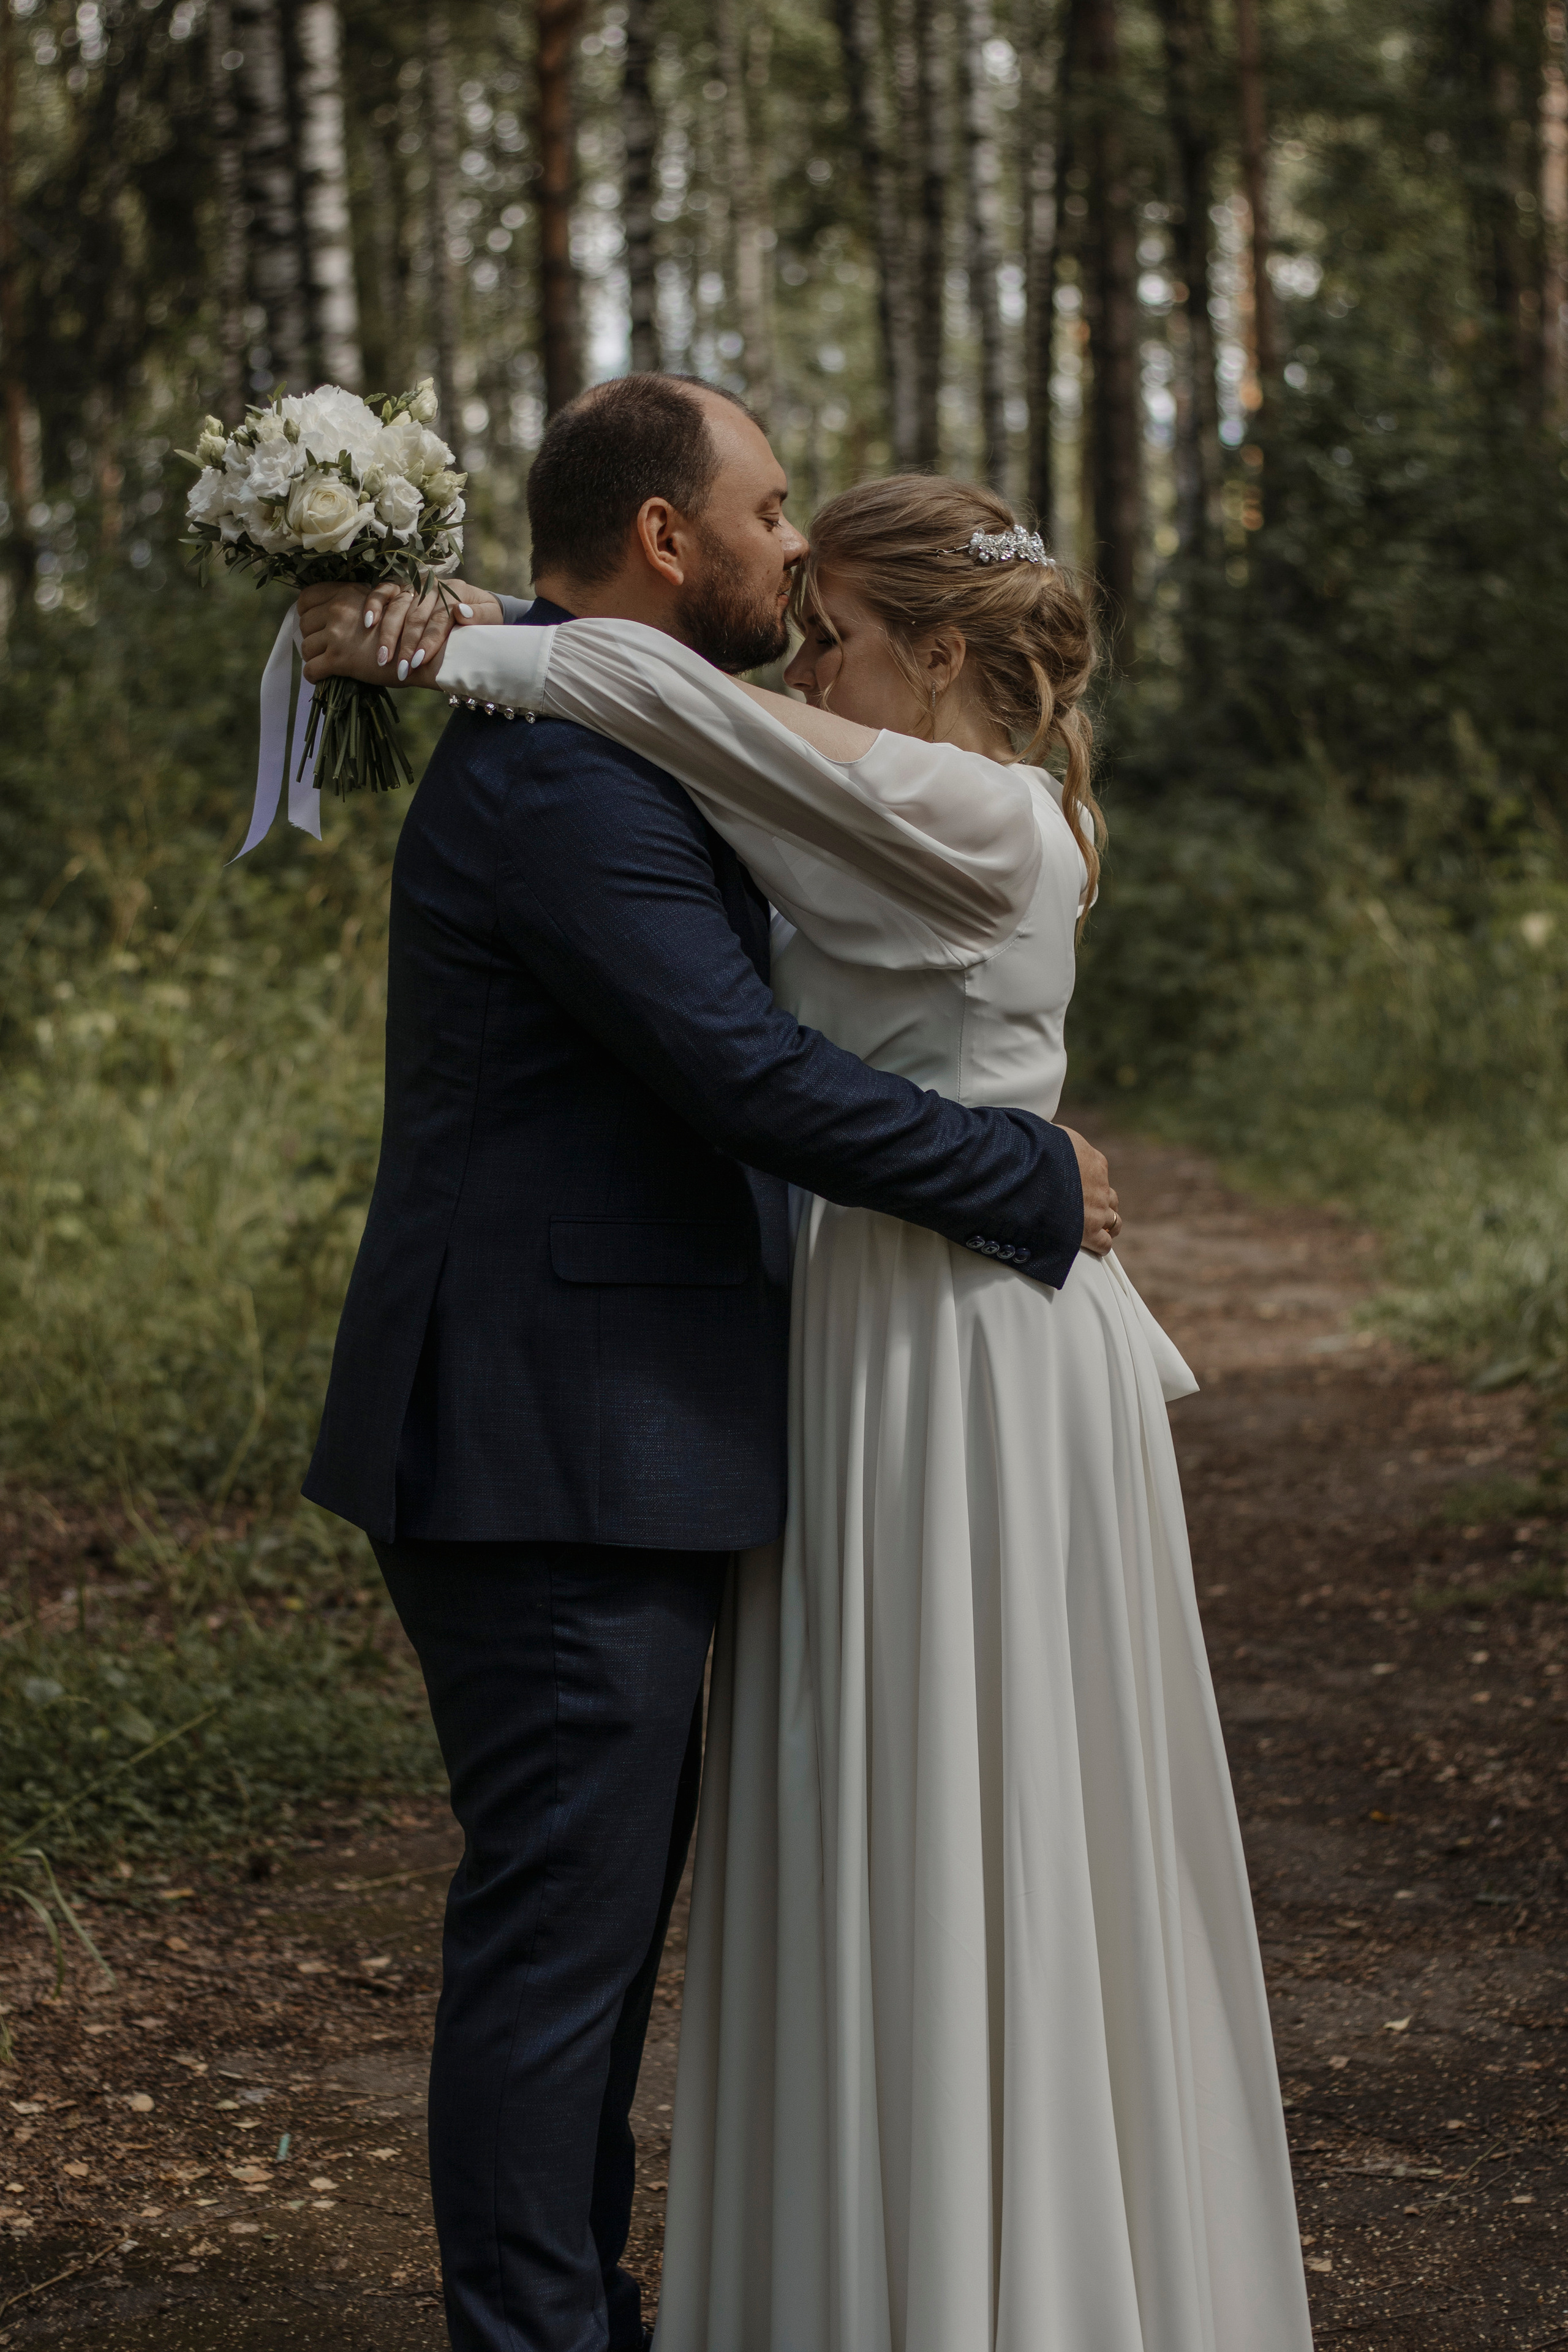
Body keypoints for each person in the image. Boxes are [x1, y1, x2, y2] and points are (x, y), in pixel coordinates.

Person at [303, 440, 1314, 2352]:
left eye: (832, 620)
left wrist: (452, 638)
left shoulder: (966, 805)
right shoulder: (735, 773)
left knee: (971, 1808)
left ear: (942, 655)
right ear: (661, 531)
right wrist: (476, 628)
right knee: (802, 1839)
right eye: (771, 526)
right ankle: (836, 2262)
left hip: (959, 1357)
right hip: (823, 1356)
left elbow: (702, 751)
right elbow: (735, 1006)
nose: (798, 642)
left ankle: (996, 2263)